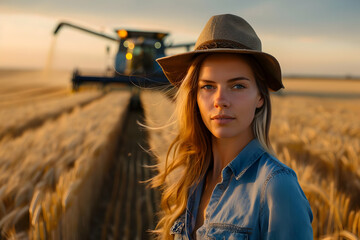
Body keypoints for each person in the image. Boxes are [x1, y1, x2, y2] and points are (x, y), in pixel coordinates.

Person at [151, 14, 313, 240]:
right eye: (208, 86)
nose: (220, 100)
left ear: (260, 97)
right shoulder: (192, 179)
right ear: (194, 96)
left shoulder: (277, 187)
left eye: (237, 85)